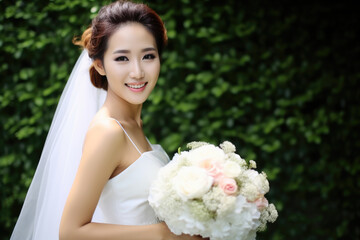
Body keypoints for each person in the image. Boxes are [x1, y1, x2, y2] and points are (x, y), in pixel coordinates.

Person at [10, 1, 206, 239]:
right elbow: (71, 231)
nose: (137, 72)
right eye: (122, 58)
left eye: (148, 56)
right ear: (100, 65)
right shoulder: (108, 131)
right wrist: (165, 235)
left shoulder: (133, 125)